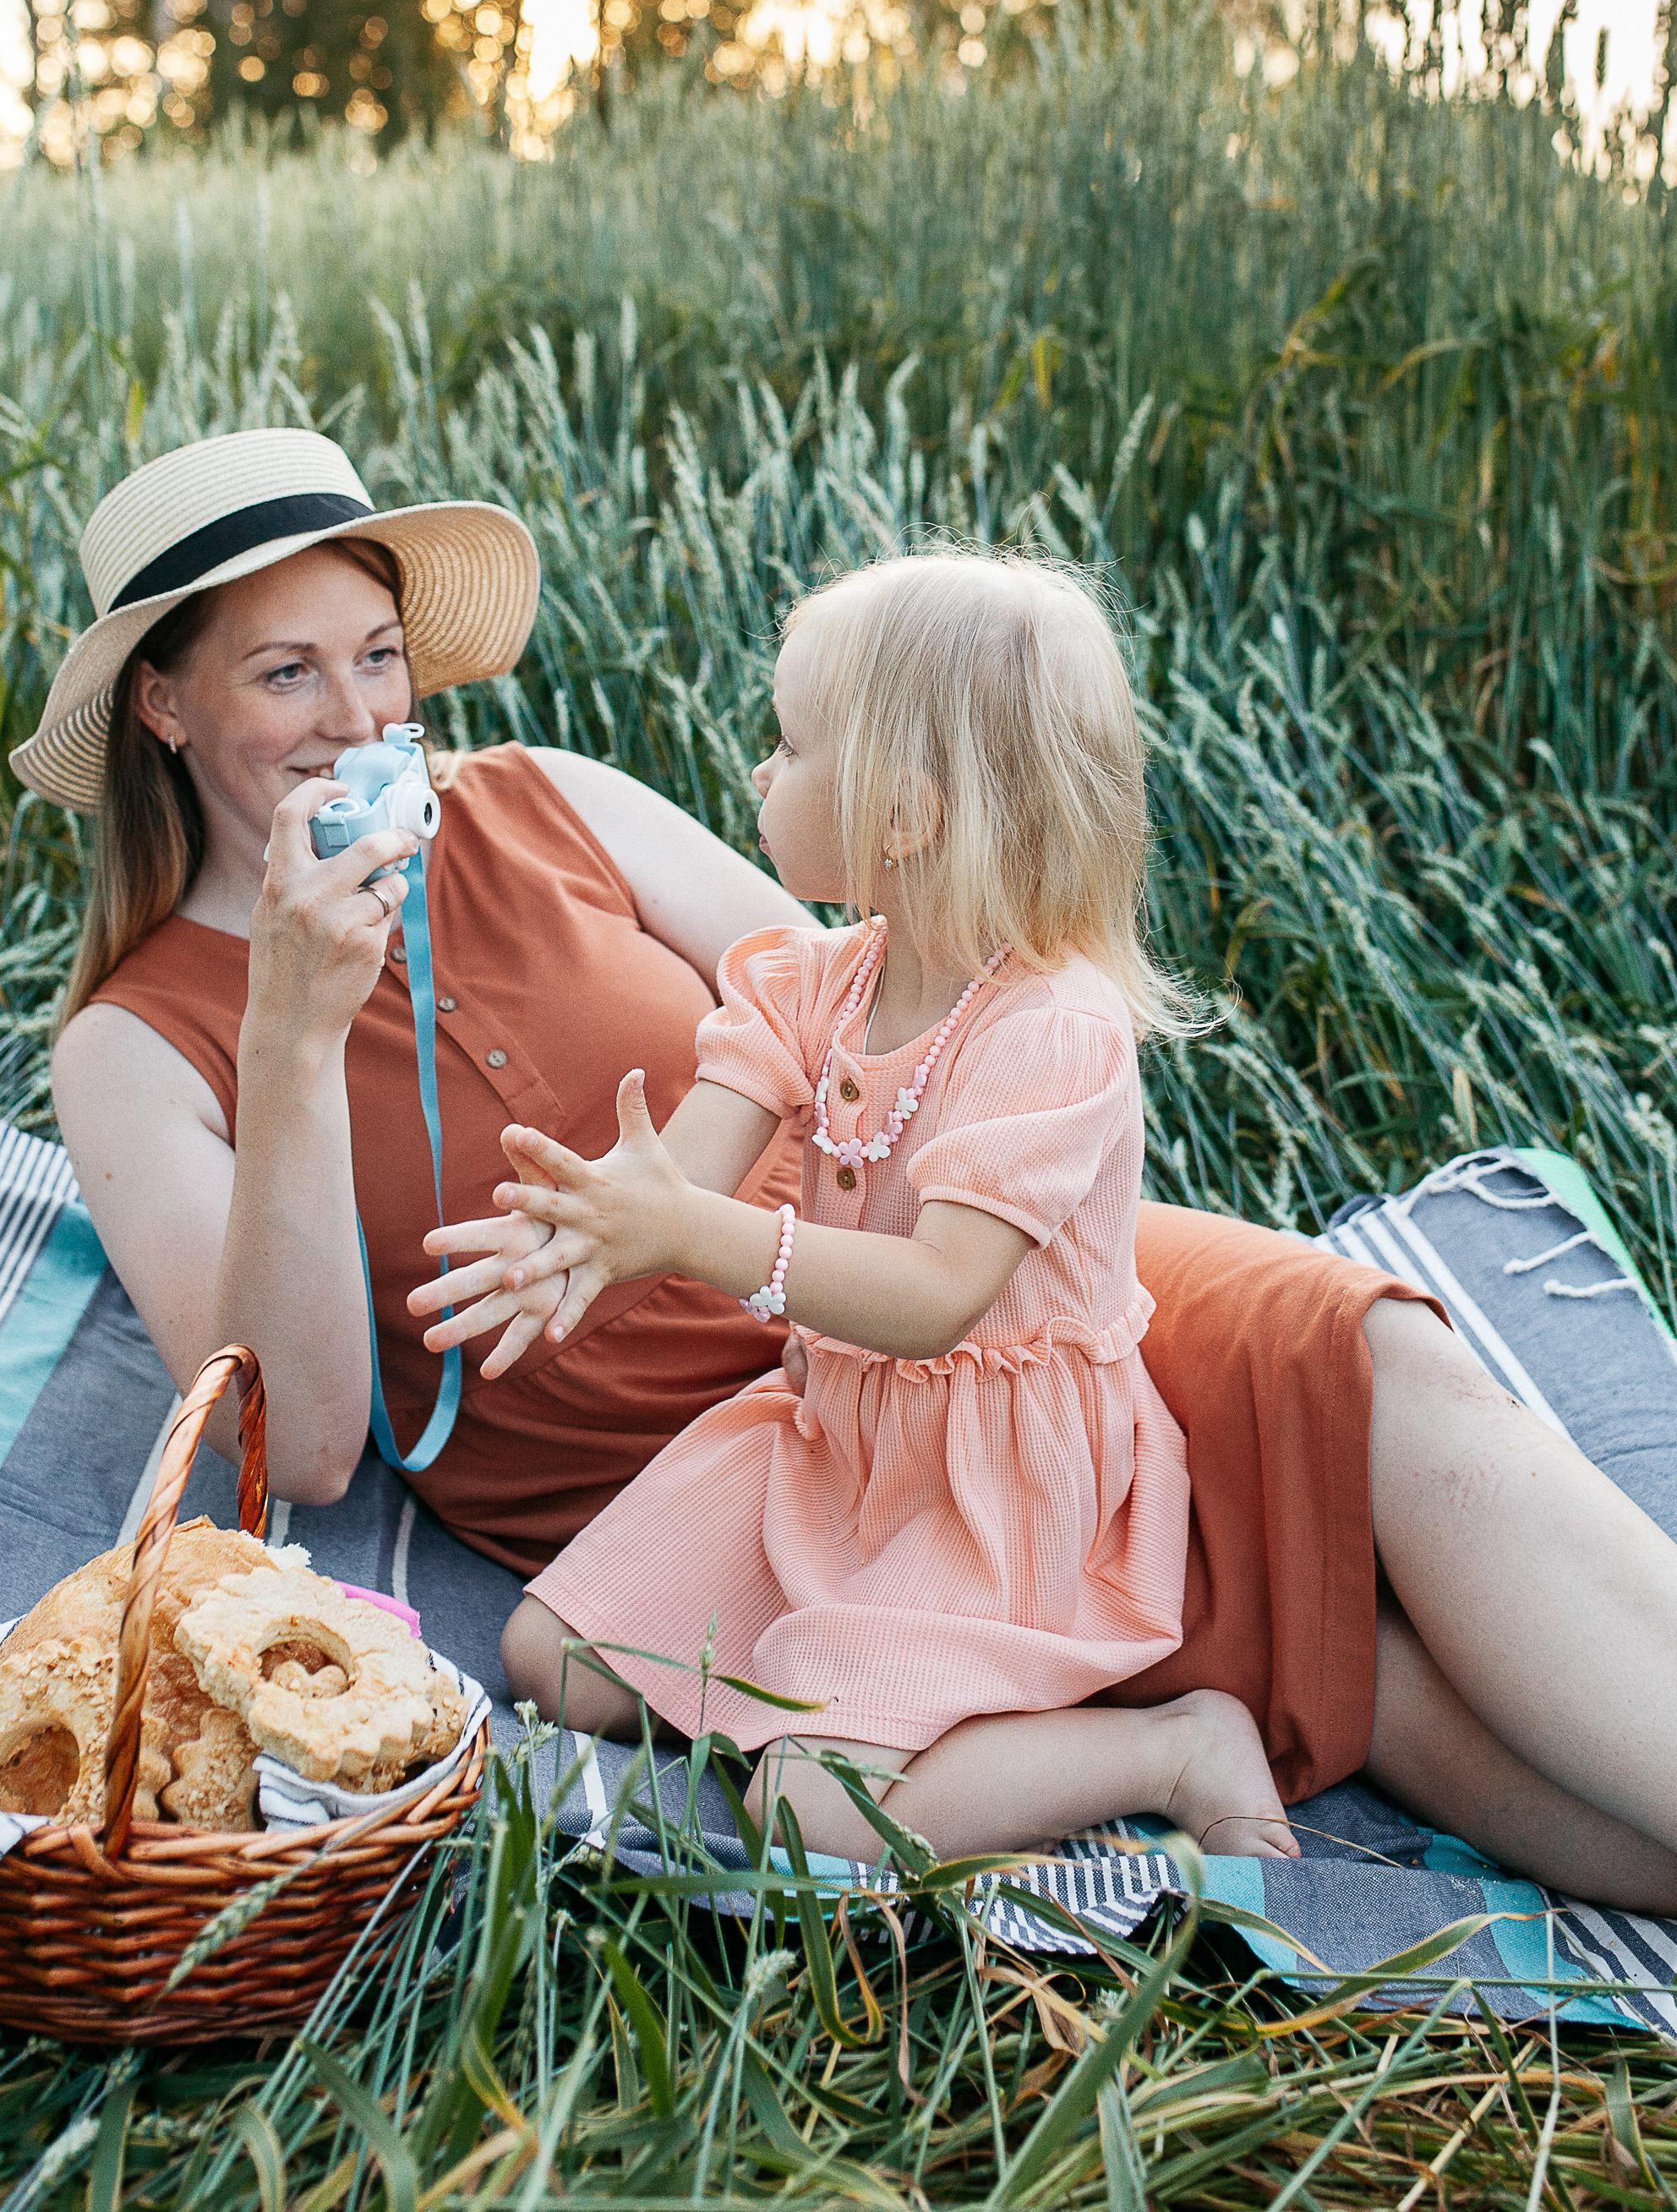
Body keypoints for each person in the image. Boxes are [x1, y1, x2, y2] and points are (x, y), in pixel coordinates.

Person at [29, 429, 1677, 1912]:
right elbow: (302, 1445)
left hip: (970, 1313)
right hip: (776, 1488)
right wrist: (294, 1039)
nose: (360, 716)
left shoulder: (545, 799)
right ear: (165, 702)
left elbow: (874, 991)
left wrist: (788, 1207)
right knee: (1518, 1768)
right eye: (285, 673)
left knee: (1375, 1361)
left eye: (380, 656)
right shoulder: (137, 1042)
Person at [423, 552, 1305, 1858]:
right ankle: (837, 1682)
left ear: (900, 815)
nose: (757, 777)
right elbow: (685, 1172)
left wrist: (691, 1236)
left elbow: (936, 1298)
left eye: (787, 747)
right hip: (831, 1436)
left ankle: (1167, 1747)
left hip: (986, 1484)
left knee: (807, 1811)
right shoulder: (814, 979)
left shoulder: (1052, 1032)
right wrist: (585, 1232)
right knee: (551, 1660)